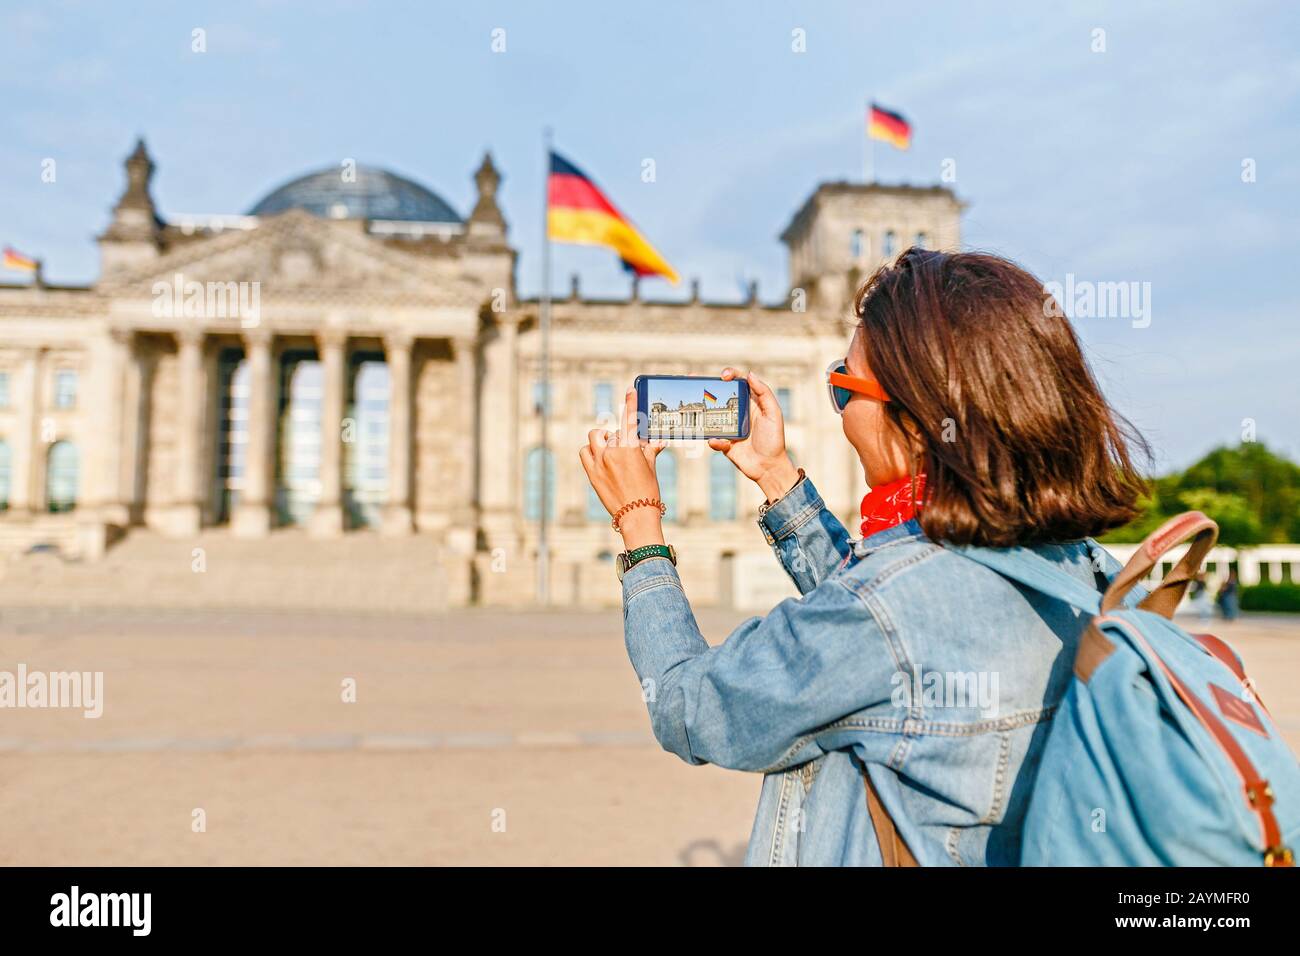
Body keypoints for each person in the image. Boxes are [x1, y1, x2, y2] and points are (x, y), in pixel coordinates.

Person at [580, 248, 1150, 866]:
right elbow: (897, 631)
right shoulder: (1090, 573)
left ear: (912, 417)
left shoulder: (881, 613)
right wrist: (776, 477)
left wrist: (638, 519)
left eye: (841, 385)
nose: (841, 412)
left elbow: (684, 706)